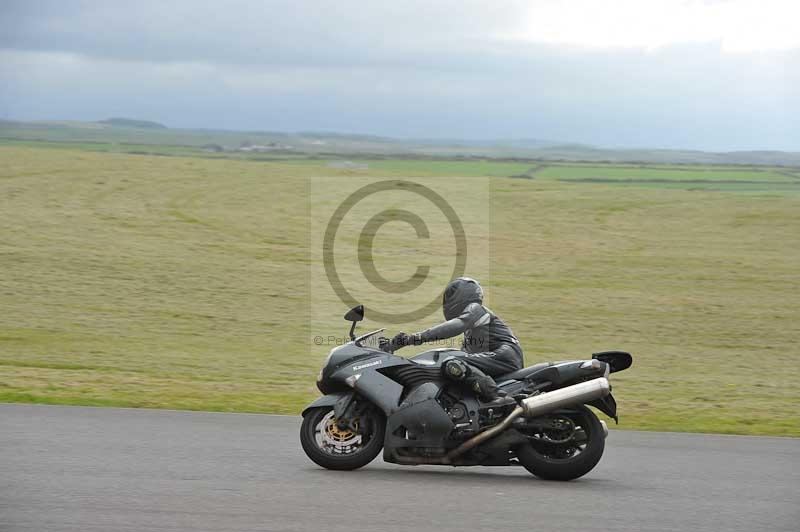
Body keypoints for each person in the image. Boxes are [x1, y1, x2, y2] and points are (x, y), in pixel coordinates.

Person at [392, 277, 523, 405]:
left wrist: (415, 338)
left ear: (462, 294)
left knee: (452, 362)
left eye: (451, 294)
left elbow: (456, 326)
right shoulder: (473, 330)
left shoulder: (476, 309)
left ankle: (499, 396)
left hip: (504, 354)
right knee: (455, 368)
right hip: (502, 358)